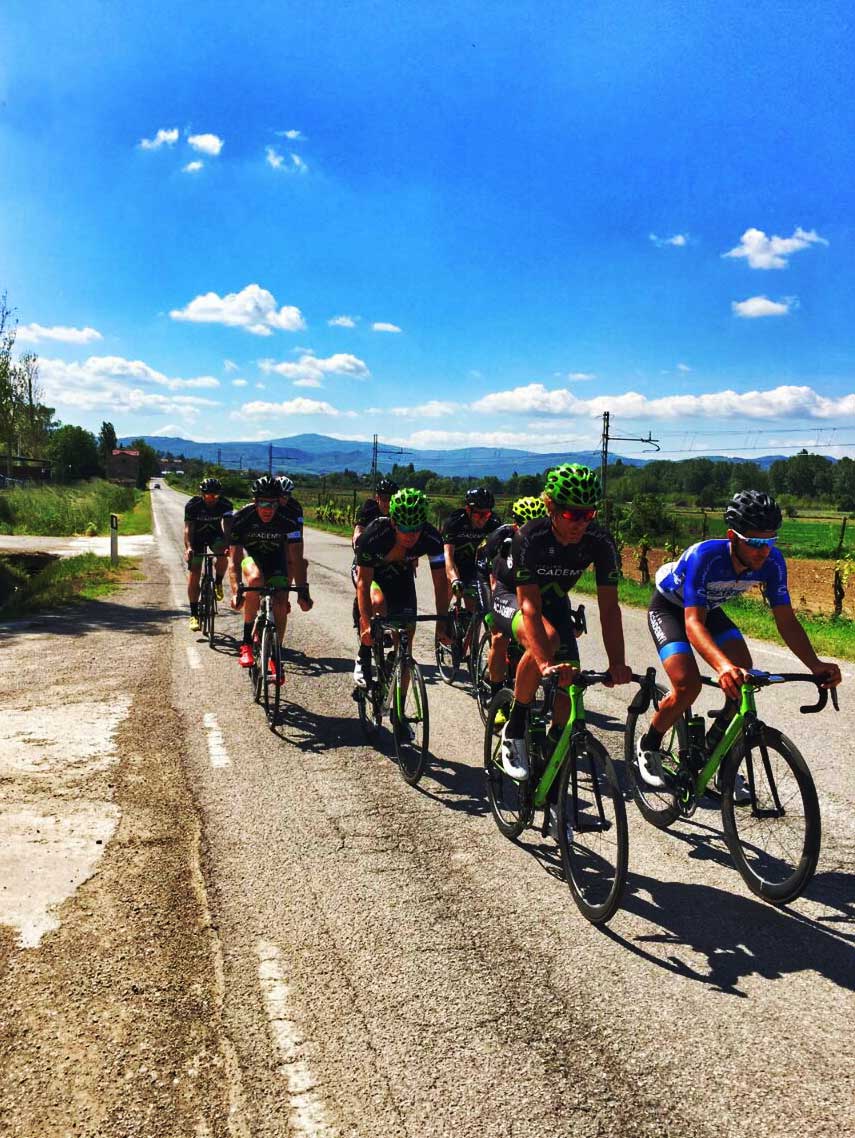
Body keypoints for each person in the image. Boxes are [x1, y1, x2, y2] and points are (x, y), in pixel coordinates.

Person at [637, 489, 842, 794]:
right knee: (687, 684)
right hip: (670, 609)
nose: (764, 551)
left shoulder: (773, 563)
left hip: (710, 608)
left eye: (770, 542)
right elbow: (693, 623)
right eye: (756, 543)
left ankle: (718, 757)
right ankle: (649, 743)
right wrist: (721, 666)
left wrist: (815, 665)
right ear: (732, 536)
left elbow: (785, 620)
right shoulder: (705, 556)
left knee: (744, 673)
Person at [492, 464, 631, 780]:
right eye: (571, 515)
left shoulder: (600, 540)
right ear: (551, 506)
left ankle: (551, 757)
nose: (580, 523)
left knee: (569, 691)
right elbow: (529, 605)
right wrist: (543, 664)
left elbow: (610, 608)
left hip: (553, 601)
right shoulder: (529, 537)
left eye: (588, 514)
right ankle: (514, 727)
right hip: (510, 595)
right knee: (549, 641)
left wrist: (617, 663)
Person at [352, 488, 452, 704]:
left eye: (416, 529)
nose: (410, 535)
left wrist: (442, 623)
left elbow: (440, 585)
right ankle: (364, 654)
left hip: (400, 576)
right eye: (405, 528)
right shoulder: (374, 535)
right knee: (377, 603)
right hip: (372, 575)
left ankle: (400, 713)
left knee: (406, 645)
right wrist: (367, 623)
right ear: (393, 522)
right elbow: (362, 583)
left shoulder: (431, 537)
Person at [228, 476, 312, 676]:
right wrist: (236, 589)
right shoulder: (242, 517)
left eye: (272, 503)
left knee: (280, 604)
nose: (267, 509)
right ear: (255, 501)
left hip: (276, 561)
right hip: (252, 557)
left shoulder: (288, 520)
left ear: (279, 502)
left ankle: (276, 654)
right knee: (255, 580)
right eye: (263, 503)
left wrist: (302, 591)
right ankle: (246, 644)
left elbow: (296, 558)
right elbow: (234, 557)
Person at [474, 495, 547, 704]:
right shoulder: (501, 536)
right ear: (516, 524)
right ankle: (496, 694)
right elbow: (489, 570)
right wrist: (491, 611)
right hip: (490, 575)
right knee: (499, 635)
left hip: (523, 583)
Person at [183, 477, 234, 631]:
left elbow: (228, 528)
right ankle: (194, 615)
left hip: (215, 535)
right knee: (194, 574)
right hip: (196, 538)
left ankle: (218, 582)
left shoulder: (226, 505)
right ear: (202, 494)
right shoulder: (193, 505)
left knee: (223, 552)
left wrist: (229, 546)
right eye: (208, 495)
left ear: (219, 495)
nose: (211, 499)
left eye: (215, 496)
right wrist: (189, 548)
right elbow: (187, 529)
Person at [350, 477, 398, 628]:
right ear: (377, 497)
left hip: (388, 559)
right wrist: (358, 544)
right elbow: (358, 530)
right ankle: (364, 625)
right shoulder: (369, 508)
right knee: (372, 595)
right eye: (384, 498)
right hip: (367, 558)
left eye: (391, 498)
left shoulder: (399, 511)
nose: (387, 502)